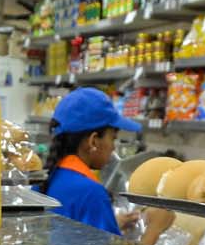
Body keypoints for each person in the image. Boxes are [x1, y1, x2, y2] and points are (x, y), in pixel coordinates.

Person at [42, 87, 141, 235]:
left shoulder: (48, 179)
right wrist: (155, 229)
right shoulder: (91, 193)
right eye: (113, 138)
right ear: (93, 141)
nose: (113, 147)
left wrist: (112, 223)